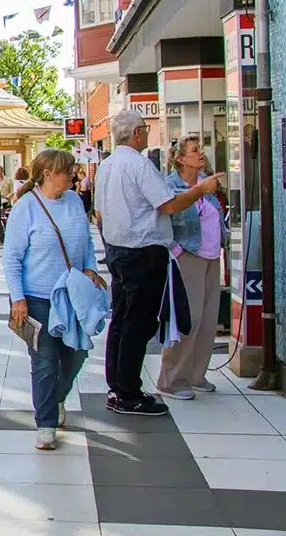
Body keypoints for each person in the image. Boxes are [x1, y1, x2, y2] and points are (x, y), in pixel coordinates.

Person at [95, 110, 223, 416]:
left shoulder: (108, 165)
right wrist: (199, 191)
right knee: (138, 323)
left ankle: (118, 384)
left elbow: (99, 213)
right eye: (145, 130)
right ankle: (127, 391)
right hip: (142, 252)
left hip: (118, 250)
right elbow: (167, 204)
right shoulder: (139, 164)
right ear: (137, 133)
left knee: (122, 321)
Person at [3, 149, 106, 450]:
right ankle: (45, 422)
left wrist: (90, 267)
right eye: (67, 170)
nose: (73, 175)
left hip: (72, 294)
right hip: (38, 296)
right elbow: (12, 258)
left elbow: (86, 240)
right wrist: (17, 299)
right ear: (48, 174)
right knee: (45, 361)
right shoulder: (27, 208)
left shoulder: (74, 200)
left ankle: (58, 395)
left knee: (77, 353)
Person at [156, 136, 227, 399]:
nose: (201, 154)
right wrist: (176, 250)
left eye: (201, 149)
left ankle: (197, 375)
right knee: (189, 318)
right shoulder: (170, 186)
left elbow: (214, 215)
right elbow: (162, 220)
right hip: (188, 257)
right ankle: (171, 379)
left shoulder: (207, 183)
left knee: (208, 319)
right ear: (180, 158)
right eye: (195, 150)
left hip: (211, 256)